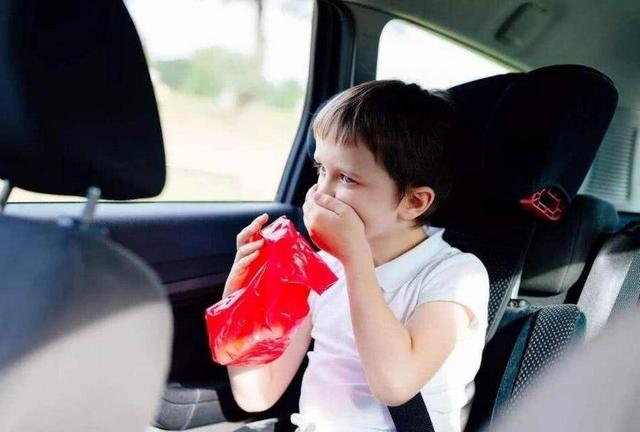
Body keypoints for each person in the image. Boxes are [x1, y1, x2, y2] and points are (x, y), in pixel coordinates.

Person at [224, 80, 490, 432]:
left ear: (413, 202)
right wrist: (241, 300)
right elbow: (256, 394)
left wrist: (355, 260)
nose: (321, 191)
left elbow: (395, 385)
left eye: (347, 178)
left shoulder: (456, 276)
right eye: (321, 169)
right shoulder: (322, 266)